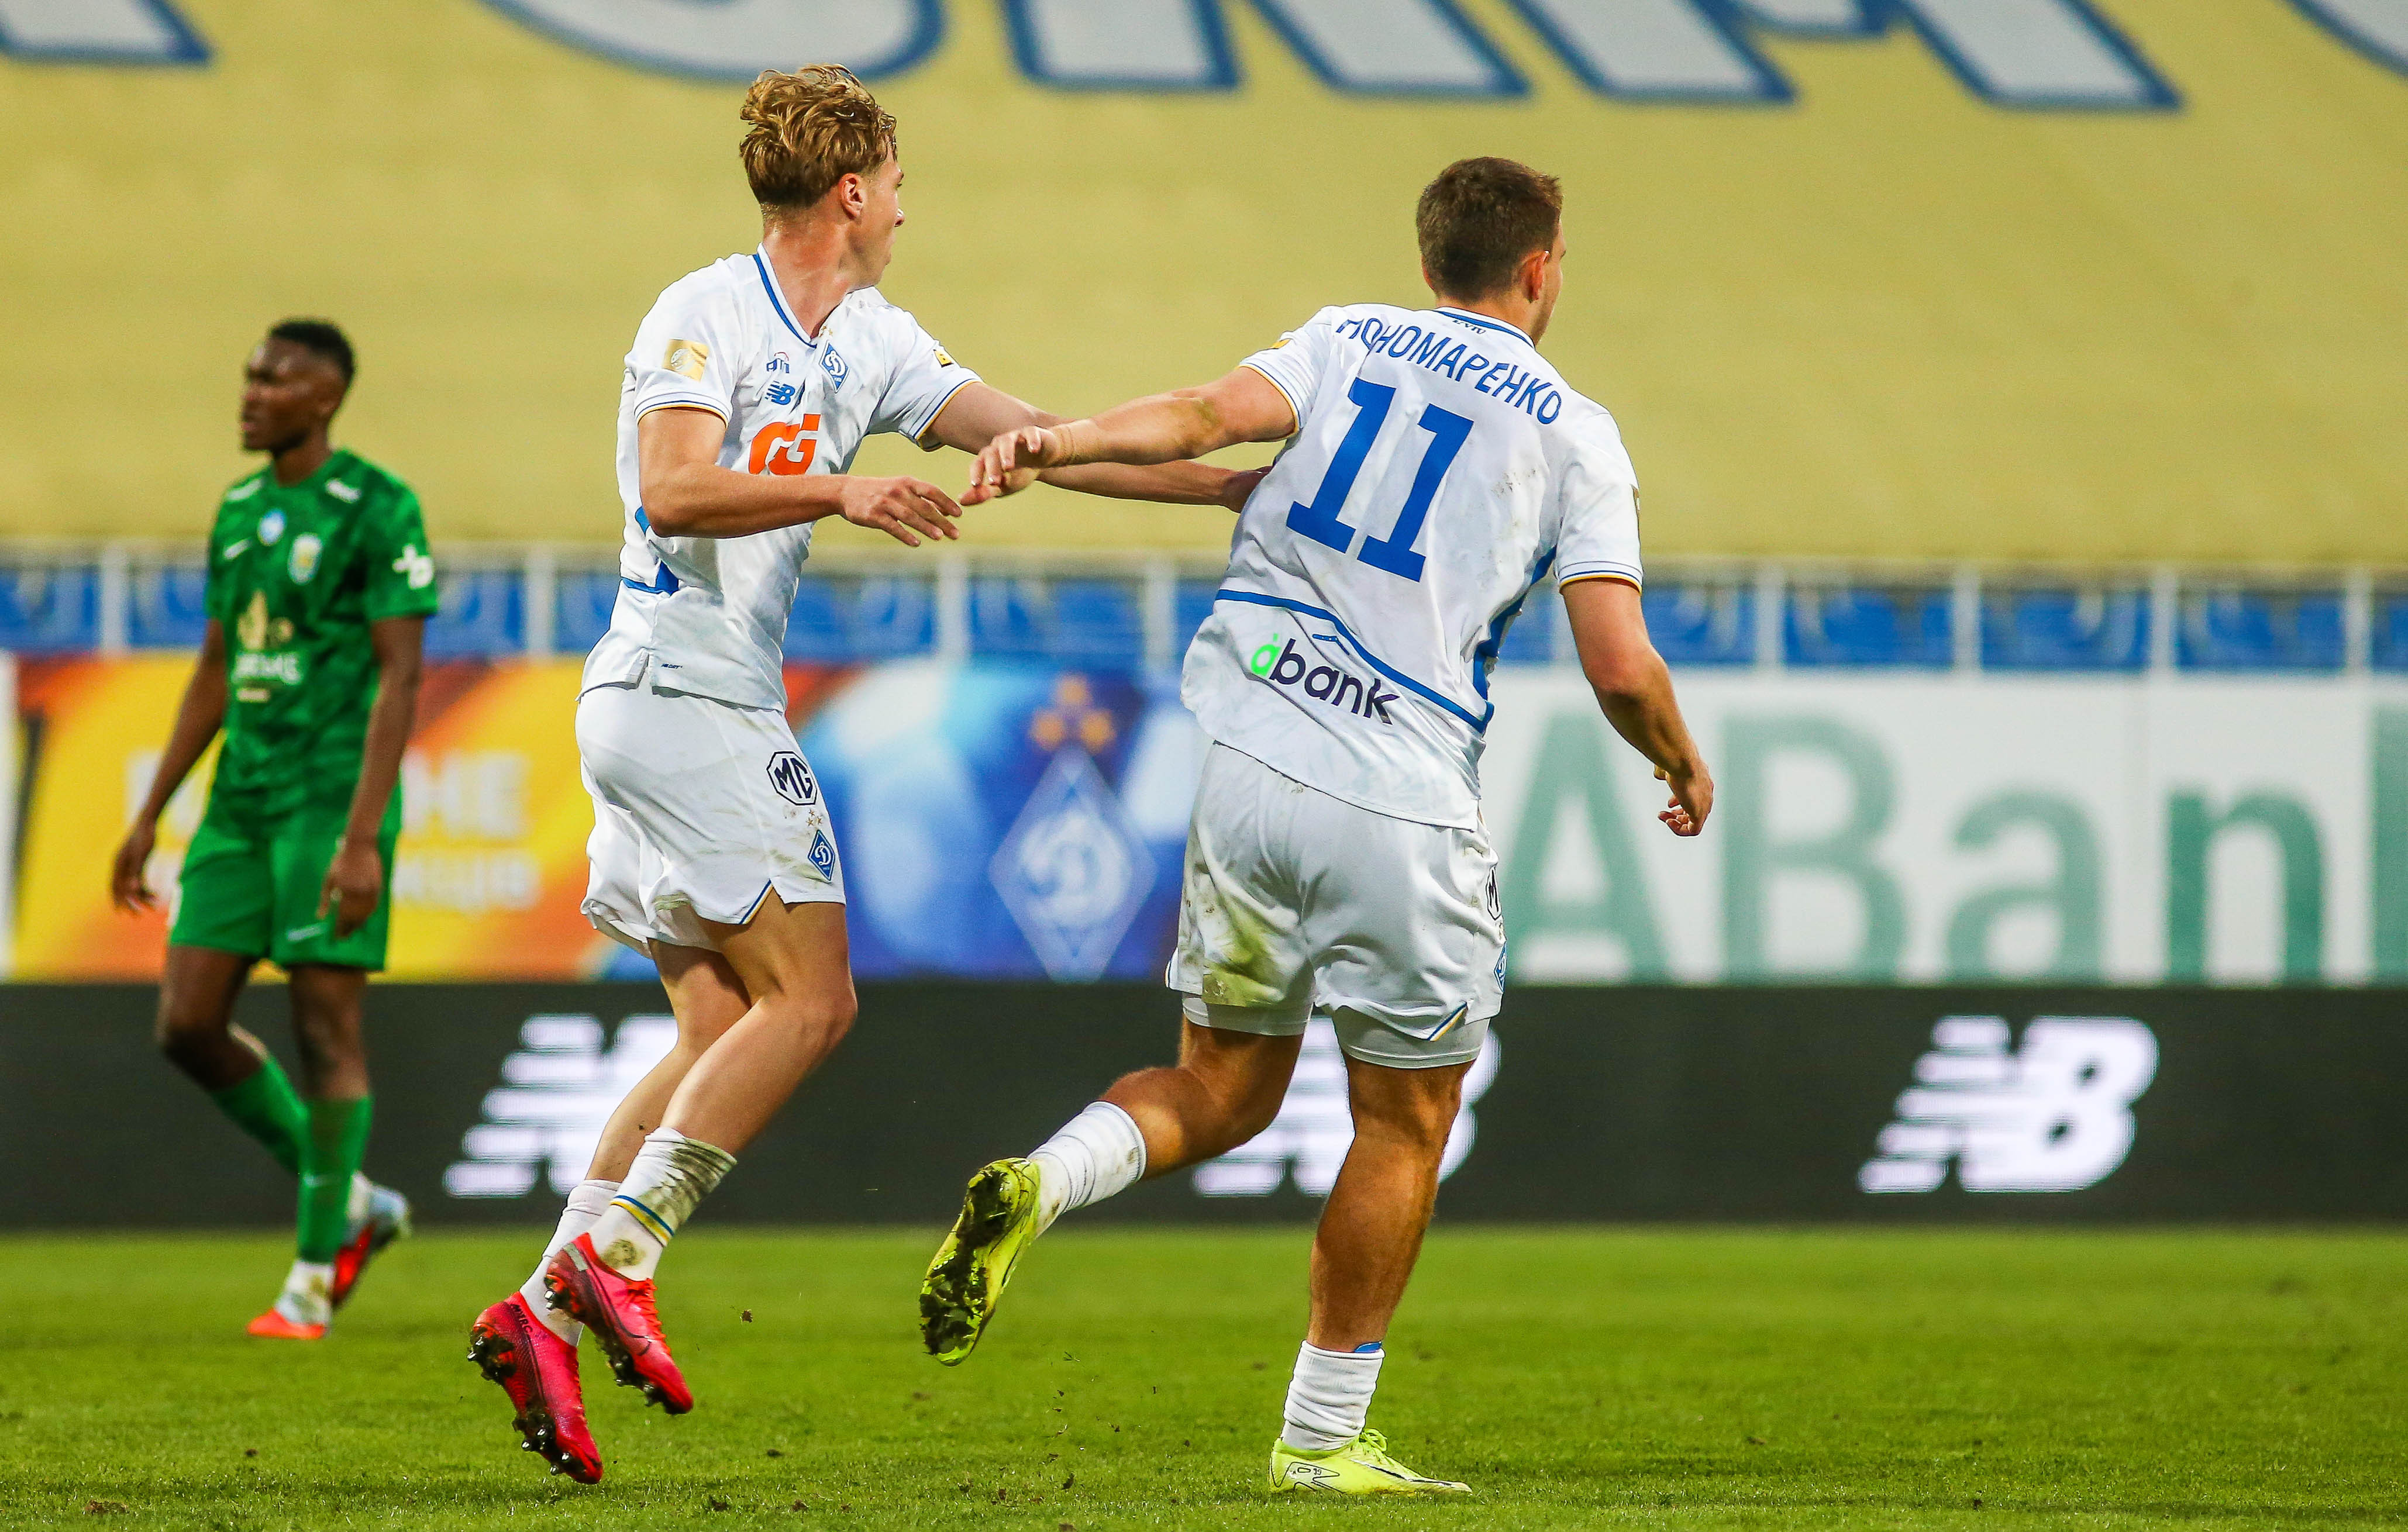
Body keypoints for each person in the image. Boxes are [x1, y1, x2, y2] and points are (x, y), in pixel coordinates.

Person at [464, 64, 1248, 1485]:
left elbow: (1041, 439)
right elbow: (672, 490)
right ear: (851, 191)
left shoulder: (874, 340)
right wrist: (843, 485)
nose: (902, 210)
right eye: (894, 185)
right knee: (814, 999)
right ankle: (619, 1254)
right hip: (679, 692)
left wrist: (1233, 489)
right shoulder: (701, 312)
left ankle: (542, 1307)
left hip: (674, 705)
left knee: (718, 1021)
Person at [925, 156, 1714, 1496]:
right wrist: (1680, 761)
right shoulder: (1578, 433)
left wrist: (1062, 439)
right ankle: (1319, 1435)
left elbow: (1198, 417)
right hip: (1398, 794)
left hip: (1246, 757)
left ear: (1429, 262)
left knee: (1222, 1087)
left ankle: (1044, 1181)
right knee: (1403, 1118)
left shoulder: (1345, 339)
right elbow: (1618, 663)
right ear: (1538, 269)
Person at [111, 319, 435, 1341]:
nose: (250, 393)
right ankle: (352, 1201)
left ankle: (310, 1281)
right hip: (241, 800)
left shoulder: (378, 506)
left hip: (328, 798)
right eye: (249, 376)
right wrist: (152, 811)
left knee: (324, 1029)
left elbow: (400, 675)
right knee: (187, 1024)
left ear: (324, 396)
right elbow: (216, 667)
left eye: (274, 379)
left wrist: (362, 837)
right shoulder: (241, 508)